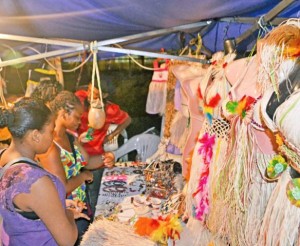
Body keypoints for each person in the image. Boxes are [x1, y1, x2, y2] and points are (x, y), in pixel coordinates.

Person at [0, 97, 88, 246]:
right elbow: (67, 240)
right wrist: (69, 214)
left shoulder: (4, 157)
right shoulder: (34, 180)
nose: (52, 136)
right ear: (35, 135)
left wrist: (58, 203)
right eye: (50, 130)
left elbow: (23, 208)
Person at [37, 90, 115, 245]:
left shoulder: (70, 137)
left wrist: (106, 157)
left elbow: (85, 162)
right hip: (67, 212)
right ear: (64, 112)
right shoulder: (50, 145)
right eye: (77, 117)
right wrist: (84, 176)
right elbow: (62, 187)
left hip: (81, 204)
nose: (80, 122)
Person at [75, 82, 131, 216]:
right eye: (88, 90)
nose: (89, 95)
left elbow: (127, 120)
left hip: (96, 159)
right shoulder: (80, 99)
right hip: (76, 157)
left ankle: (94, 224)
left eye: (93, 93)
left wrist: (111, 135)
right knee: (78, 198)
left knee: (94, 197)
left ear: (104, 94)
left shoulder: (109, 110)